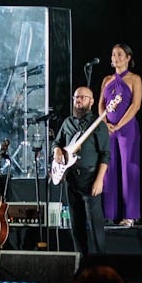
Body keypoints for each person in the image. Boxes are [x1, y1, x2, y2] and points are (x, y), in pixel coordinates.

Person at [53, 86, 110, 253]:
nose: (78, 101)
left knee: (95, 226)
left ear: (91, 102)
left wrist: (99, 180)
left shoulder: (98, 125)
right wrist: (56, 150)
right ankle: (81, 260)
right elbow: (57, 142)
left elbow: (105, 155)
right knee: (76, 226)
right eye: (76, 98)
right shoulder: (67, 123)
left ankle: (100, 264)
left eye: (83, 98)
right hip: (71, 180)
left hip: (90, 179)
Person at [100, 43, 142, 225]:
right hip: (108, 128)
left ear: (128, 58)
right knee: (108, 170)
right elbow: (101, 104)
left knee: (129, 170)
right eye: (113, 54)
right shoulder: (107, 80)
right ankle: (108, 214)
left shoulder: (134, 79)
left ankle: (130, 215)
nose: (115, 58)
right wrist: (105, 123)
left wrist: (118, 125)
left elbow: (135, 105)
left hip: (127, 129)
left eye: (119, 54)